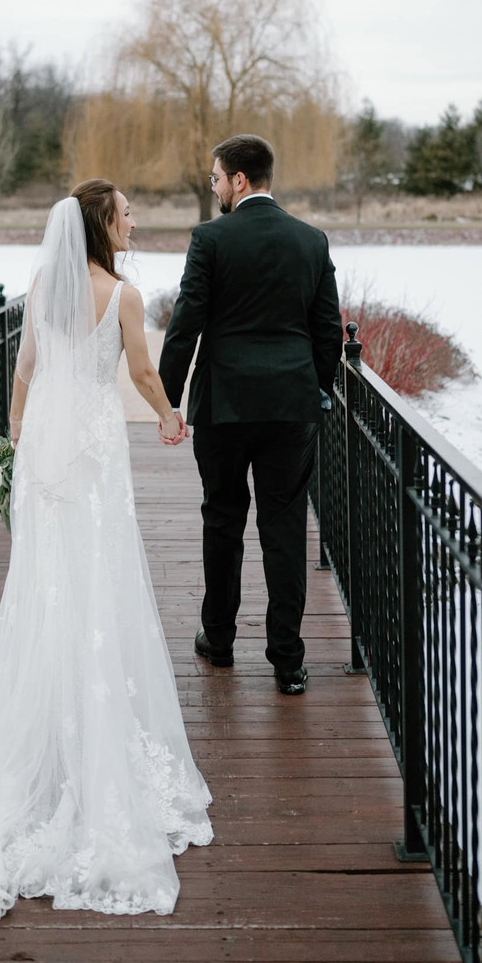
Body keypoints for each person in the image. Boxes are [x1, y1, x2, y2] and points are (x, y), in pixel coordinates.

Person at [0, 180, 212, 921]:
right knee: (99, 579)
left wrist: (16, 435)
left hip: (48, 445)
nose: (135, 219)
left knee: (43, 584)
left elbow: (23, 369)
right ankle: (87, 729)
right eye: (126, 211)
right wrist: (169, 416)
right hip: (93, 450)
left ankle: (43, 715)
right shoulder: (124, 295)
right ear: (101, 224)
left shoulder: (42, 285)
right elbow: (145, 374)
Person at [158, 135, 344, 695]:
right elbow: (329, 330)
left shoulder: (210, 239)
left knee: (223, 518)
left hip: (224, 404)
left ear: (239, 180)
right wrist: (317, 390)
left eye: (215, 178)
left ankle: (219, 640)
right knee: (284, 527)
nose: (213, 187)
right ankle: (287, 658)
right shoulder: (311, 241)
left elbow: (186, 322)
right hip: (291, 407)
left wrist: (167, 400)